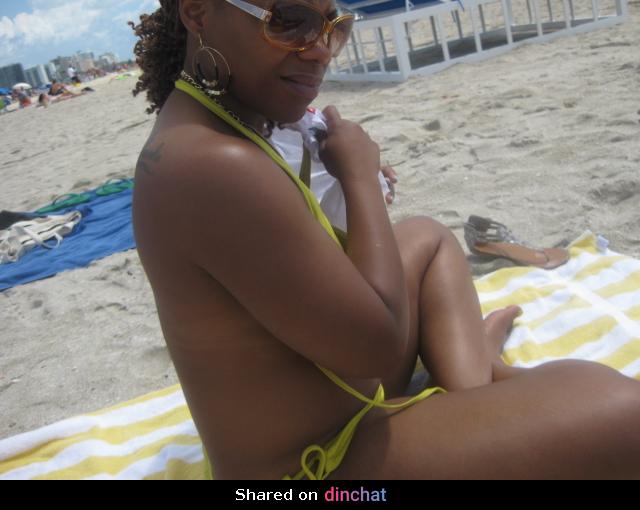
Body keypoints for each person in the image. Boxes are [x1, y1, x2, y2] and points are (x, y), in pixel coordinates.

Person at [130, 0, 640, 480]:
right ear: (198, 11)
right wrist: (360, 180)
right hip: (313, 472)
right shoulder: (211, 166)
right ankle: (482, 382)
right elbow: (377, 347)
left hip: (343, 400)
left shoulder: (218, 124)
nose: (320, 50)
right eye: (289, 20)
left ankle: (473, 384)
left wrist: (342, 180)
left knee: (427, 237)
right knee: (622, 412)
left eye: (334, 26)